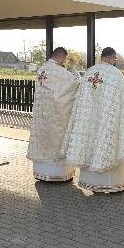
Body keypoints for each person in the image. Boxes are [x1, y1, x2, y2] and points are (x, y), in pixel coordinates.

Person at [61, 47, 124, 193]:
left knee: (88, 143)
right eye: (115, 59)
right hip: (106, 120)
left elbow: (80, 99)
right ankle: (110, 183)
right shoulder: (115, 74)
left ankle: (89, 181)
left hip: (88, 121)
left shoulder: (90, 72)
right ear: (112, 58)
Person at [28, 47, 79, 181]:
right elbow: (75, 82)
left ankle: (41, 172)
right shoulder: (59, 71)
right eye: (64, 59)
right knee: (56, 141)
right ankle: (57, 174)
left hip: (42, 115)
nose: (64, 62)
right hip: (56, 116)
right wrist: (73, 68)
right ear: (61, 57)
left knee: (43, 141)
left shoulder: (41, 69)